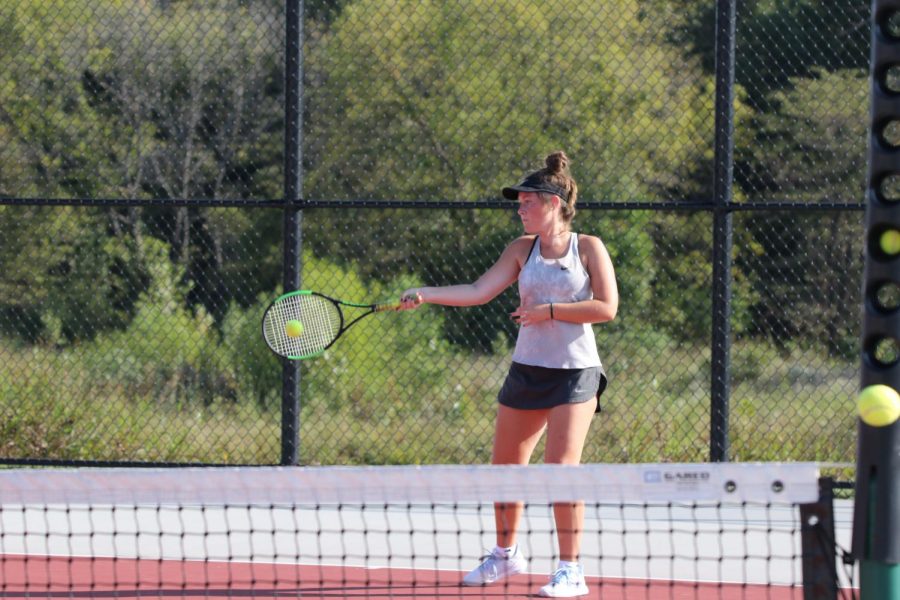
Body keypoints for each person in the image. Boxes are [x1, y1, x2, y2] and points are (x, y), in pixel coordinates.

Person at [399, 151, 618, 598]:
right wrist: (427, 294)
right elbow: (479, 291)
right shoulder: (521, 250)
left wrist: (550, 311)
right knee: (506, 470)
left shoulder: (589, 247)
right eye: (518, 204)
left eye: (526, 203)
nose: (519, 210)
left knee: (560, 470)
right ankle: (505, 555)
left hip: (575, 374)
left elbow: (607, 308)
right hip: (527, 371)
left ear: (553, 203)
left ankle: (571, 569)